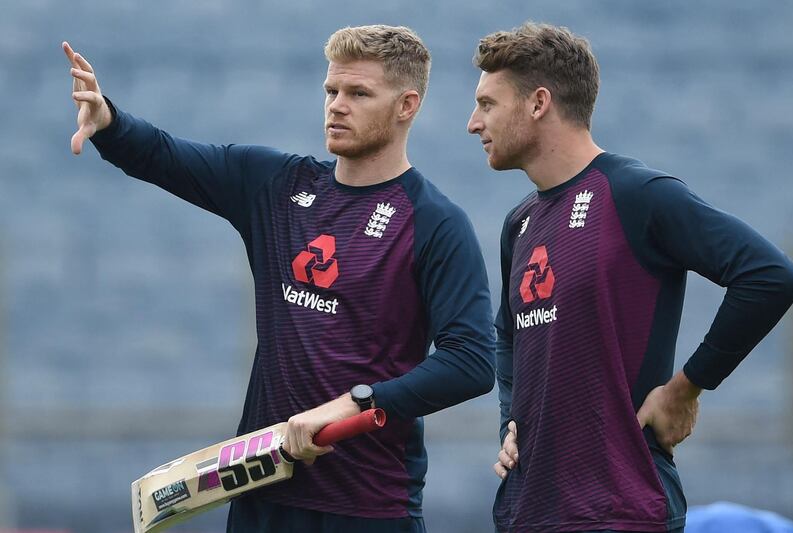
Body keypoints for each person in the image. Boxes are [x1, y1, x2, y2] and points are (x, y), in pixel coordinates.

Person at [64, 24, 495, 533]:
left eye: (358, 93)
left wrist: (354, 405)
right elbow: (162, 155)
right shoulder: (275, 184)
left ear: (406, 106)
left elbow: (471, 362)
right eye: (332, 91)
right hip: (261, 497)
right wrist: (109, 121)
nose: (337, 105)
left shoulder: (434, 222)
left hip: (369, 507)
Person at [466, 21, 793, 533]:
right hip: (528, 512)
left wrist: (686, 387)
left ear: (538, 103)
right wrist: (510, 423)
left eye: (488, 104)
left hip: (621, 508)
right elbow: (507, 336)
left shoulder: (637, 194)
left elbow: (769, 275)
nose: (473, 123)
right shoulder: (520, 222)